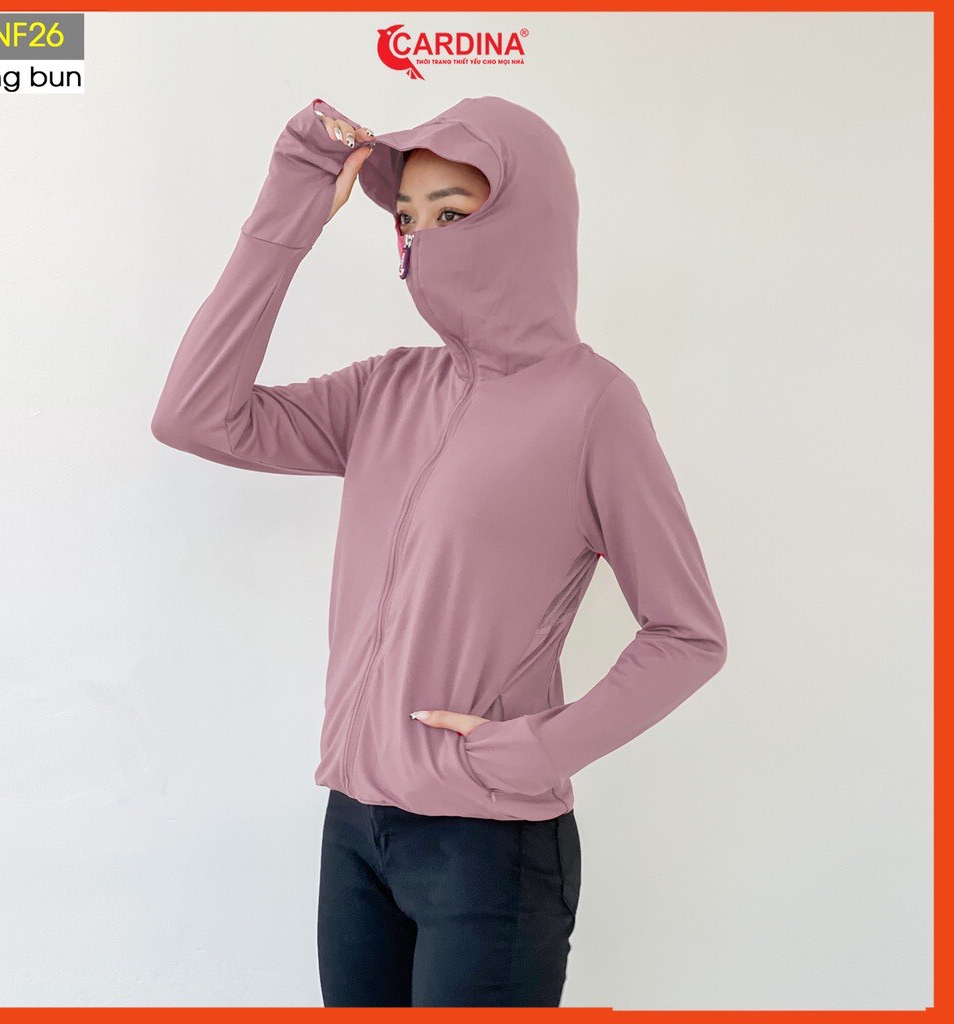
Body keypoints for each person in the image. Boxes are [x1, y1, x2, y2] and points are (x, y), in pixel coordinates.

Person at [151, 95, 728, 1008]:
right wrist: (291, 210)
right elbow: (194, 415)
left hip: (486, 847)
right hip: (355, 828)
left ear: (528, 217)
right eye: (410, 218)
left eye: (453, 213)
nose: (425, 240)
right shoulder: (388, 387)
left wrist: (532, 752)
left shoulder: (593, 405)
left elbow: (687, 634)